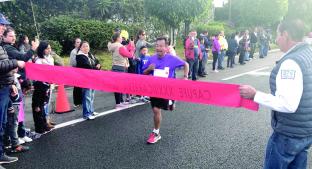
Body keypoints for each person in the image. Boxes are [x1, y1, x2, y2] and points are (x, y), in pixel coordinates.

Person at [239, 19, 312, 169]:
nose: (276, 39)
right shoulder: (308, 53)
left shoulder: (291, 63)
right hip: (305, 130)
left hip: (288, 134)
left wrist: (255, 95)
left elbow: (288, 104)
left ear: (285, 35)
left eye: (278, 35)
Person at [143, 37, 189, 144]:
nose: (158, 48)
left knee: (167, 107)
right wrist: (149, 69)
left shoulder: (172, 58)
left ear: (166, 47)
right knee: (156, 109)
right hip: (155, 89)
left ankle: (172, 100)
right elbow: (143, 74)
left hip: (168, 89)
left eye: (161, 46)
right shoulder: (151, 59)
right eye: (157, 45)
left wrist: (186, 77)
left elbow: (186, 64)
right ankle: (156, 133)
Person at [0, 12, 24, 165]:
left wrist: (11, 84)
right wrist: (16, 63)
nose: (3, 27)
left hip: (5, 87)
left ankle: (2, 152)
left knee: (4, 122)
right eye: (1, 24)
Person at [32, 41, 55, 133]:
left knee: (45, 104)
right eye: (47, 48)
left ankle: (45, 123)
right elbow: (37, 75)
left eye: (50, 48)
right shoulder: (38, 60)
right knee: (39, 106)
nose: (49, 50)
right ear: (42, 49)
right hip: (41, 86)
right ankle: (40, 126)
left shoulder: (50, 58)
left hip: (48, 85)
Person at [108, 33, 135, 109]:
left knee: (118, 85)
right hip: (120, 67)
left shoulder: (113, 45)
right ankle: (118, 103)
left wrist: (130, 44)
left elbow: (125, 50)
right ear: (117, 38)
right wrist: (132, 49)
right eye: (121, 37)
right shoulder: (119, 46)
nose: (122, 39)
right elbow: (129, 55)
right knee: (118, 86)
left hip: (116, 66)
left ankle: (120, 102)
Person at [76, 41, 101, 120]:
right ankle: (86, 114)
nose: (86, 48)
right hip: (85, 78)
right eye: (84, 46)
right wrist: (96, 67)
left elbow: (97, 62)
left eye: (87, 46)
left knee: (91, 95)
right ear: (80, 47)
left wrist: (98, 66)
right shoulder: (80, 56)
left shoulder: (89, 54)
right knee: (87, 96)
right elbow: (88, 67)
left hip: (92, 77)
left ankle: (91, 110)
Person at [69, 38, 82, 108]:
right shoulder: (73, 52)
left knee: (81, 86)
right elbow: (73, 63)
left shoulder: (81, 51)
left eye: (80, 42)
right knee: (77, 87)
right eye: (77, 42)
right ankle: (76, 102)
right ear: (74, 44)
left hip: (81, 71)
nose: (79, 43)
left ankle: (81, 101)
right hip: (75, 71)